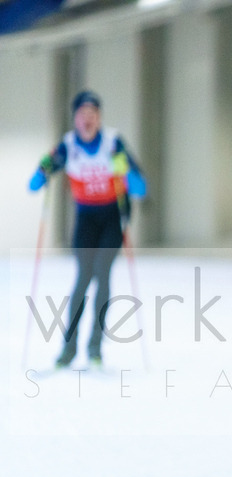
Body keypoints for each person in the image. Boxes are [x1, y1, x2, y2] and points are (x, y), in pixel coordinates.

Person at [28, 90, 147, 367]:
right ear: (75, 119)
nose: (88, 119)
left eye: (93, 114)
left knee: (102, 273)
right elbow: (34, 183)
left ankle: (95, 347)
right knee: (83, 277)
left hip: (111, 218)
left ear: (99, 118)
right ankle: (68, 349)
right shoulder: (68, 146)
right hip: (86, 220)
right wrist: (43, 170)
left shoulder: (113, 143)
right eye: (83, 114)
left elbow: (140, 188)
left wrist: (125, 171)